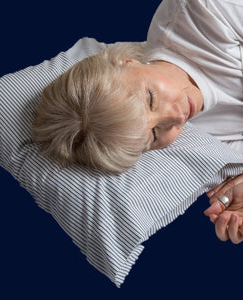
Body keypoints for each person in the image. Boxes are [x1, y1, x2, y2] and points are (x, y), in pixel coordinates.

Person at [31, 0, 243, 243]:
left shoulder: (202, 11)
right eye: (153, 134)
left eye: (150, 97)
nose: (175, 117)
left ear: (126, 62)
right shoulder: (200, 141)